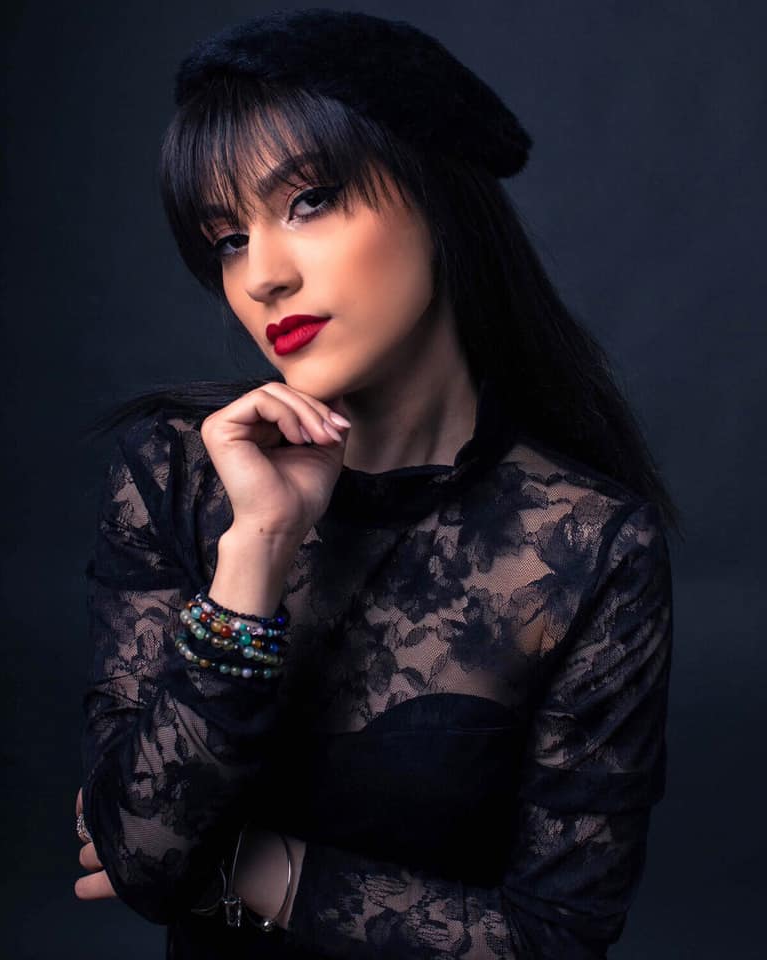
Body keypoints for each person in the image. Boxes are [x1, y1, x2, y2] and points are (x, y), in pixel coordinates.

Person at [74, 9, 681, 958]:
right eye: (227, 239)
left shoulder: (587, 545)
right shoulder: (178, 475)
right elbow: (143, 854)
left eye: (309, 201)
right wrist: (257, 549)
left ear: (438, 198)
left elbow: (557, 941)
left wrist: (251, 868)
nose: (263, 276)